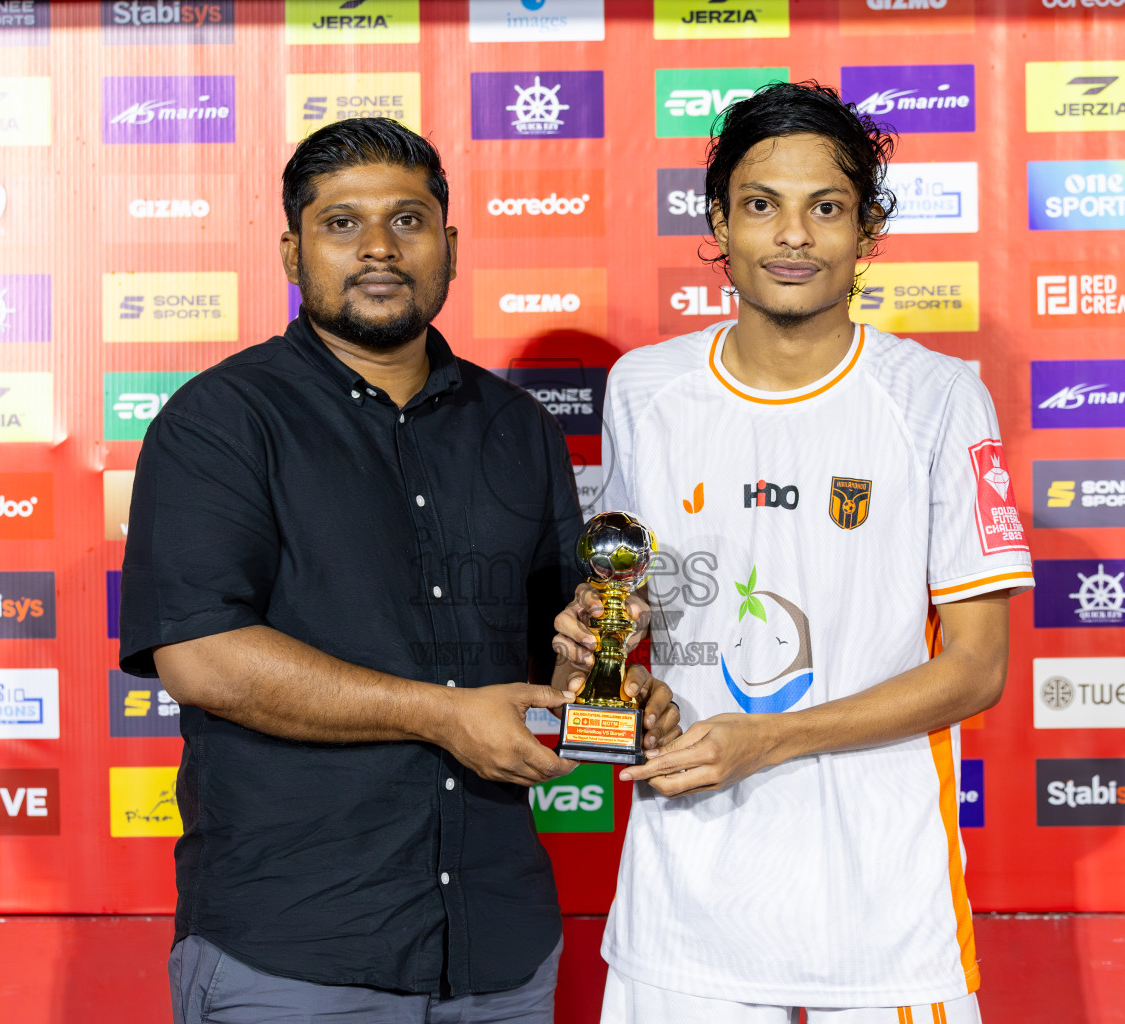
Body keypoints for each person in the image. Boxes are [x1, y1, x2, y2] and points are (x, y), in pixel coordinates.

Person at [118, 116, 677, 1024]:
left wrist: (607, 694)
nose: (379, 247)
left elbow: (557, 662)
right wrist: (441, 713)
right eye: (342, 223)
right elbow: (201, 658)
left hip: (497, 951)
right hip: (297, 953)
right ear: (293, 253)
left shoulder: (518, 429)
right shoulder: (221, 422)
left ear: (449, 246)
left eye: (408, 221)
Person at [553, 82, 1034, 1023]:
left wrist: (766, 737)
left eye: (827, 207)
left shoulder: (936, 398)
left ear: (869, 228)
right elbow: (631, 603)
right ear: (720, 224)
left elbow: (976, 671)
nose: (794, 236)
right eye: (762, 204)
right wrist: (596, 654)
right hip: (684, 898)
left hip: (881, 912)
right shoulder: (645, 389)